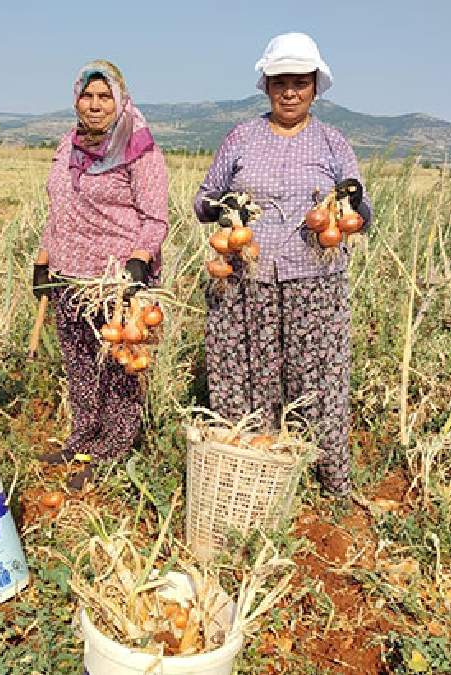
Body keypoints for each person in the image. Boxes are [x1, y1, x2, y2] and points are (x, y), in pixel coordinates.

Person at [193, 33, 372, 498]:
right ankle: (249, 480)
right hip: (243, 279)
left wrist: (350, 197)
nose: (290, 92)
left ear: (316, 86)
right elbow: (202, 200)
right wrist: (224, 208)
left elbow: (362, 215)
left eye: (300, 82)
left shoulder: (332, 143)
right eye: (280, 82)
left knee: (319, 380)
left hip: (315, 282)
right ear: (266, 86)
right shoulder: (241, 137)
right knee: (244, 375)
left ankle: (328, 484)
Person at [33, 60, 169, 491]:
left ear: (120, 99)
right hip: (69, 274)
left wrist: (139, 260)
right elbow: (58, 206)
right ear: (76, 99)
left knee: (118, 364)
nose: (94, 105)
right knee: (78, 361)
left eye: (104, 96)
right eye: (87, 96)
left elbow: (156, 217)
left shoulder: (139, 149)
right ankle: (82, 438)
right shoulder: (66, 145)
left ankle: (114, 451)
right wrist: (43, 260)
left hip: (116, 278)